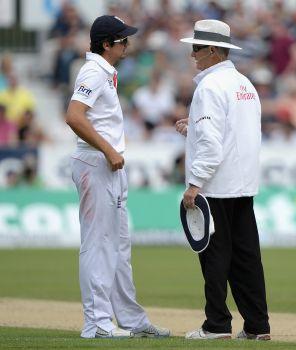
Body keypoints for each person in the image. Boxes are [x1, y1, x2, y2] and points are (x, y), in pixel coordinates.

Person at [65, 15, 170, 339]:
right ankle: (96, 324)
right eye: (123, 41)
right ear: (107, 44)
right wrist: (109, 151)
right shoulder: (93, 72)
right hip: (97, 162)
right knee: (98, 244)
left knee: (120, 246)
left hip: (107, 165)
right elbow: (74, 116)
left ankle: (130, 319)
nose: (128, 45)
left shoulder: (105, 72)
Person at [175, 19, 270, 341]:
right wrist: (195, 128)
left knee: (215, 257)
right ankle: (258, 327)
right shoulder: (244, 84)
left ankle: (216, 325)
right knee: (247, 259)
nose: (193, 55)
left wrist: (194, 184)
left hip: (216, 186)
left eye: (197, 48)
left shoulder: (210, 87)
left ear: (212, 50)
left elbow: (212, 144)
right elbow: (235, 133)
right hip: (243, 185)